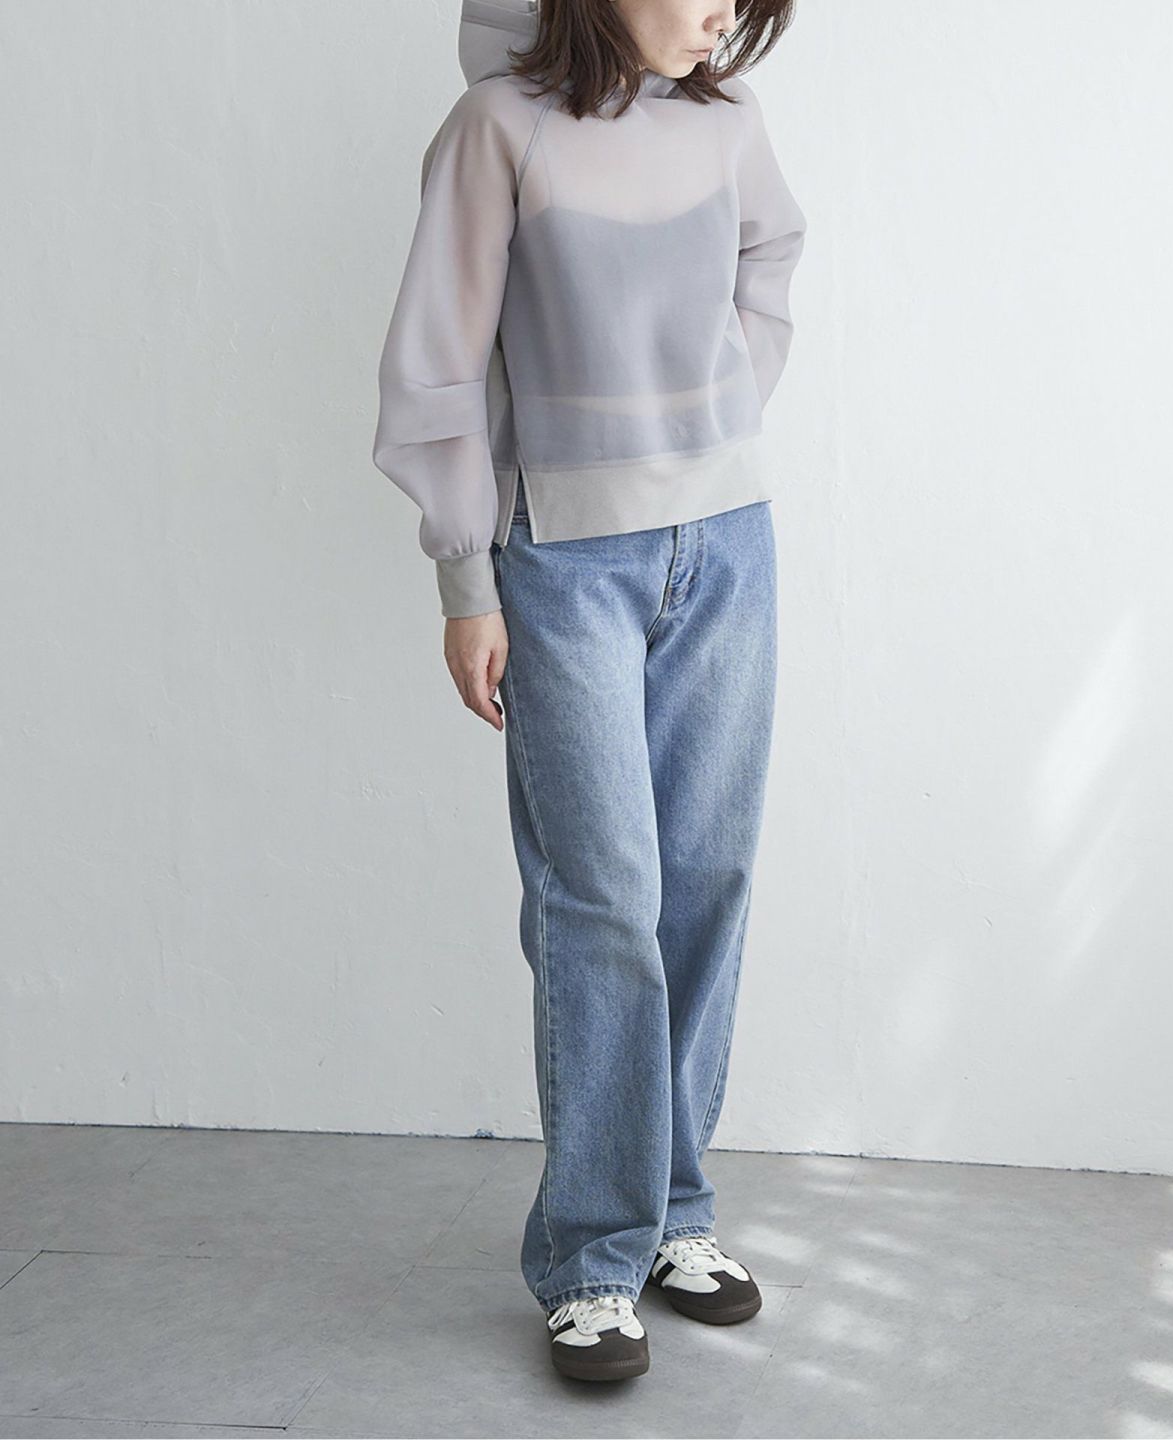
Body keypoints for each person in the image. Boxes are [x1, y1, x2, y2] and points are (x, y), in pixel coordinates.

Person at [372, 0, 807, 1383]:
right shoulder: (498, 130)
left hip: (727, 544)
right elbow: (438, 362)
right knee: (601, 896)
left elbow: (773, 258)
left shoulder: (729, 123)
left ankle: (677, 1210)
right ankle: (593, 1255)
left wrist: (721, 408)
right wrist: (466, 581)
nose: (723, 11)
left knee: (706, 879)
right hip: (562, 560)